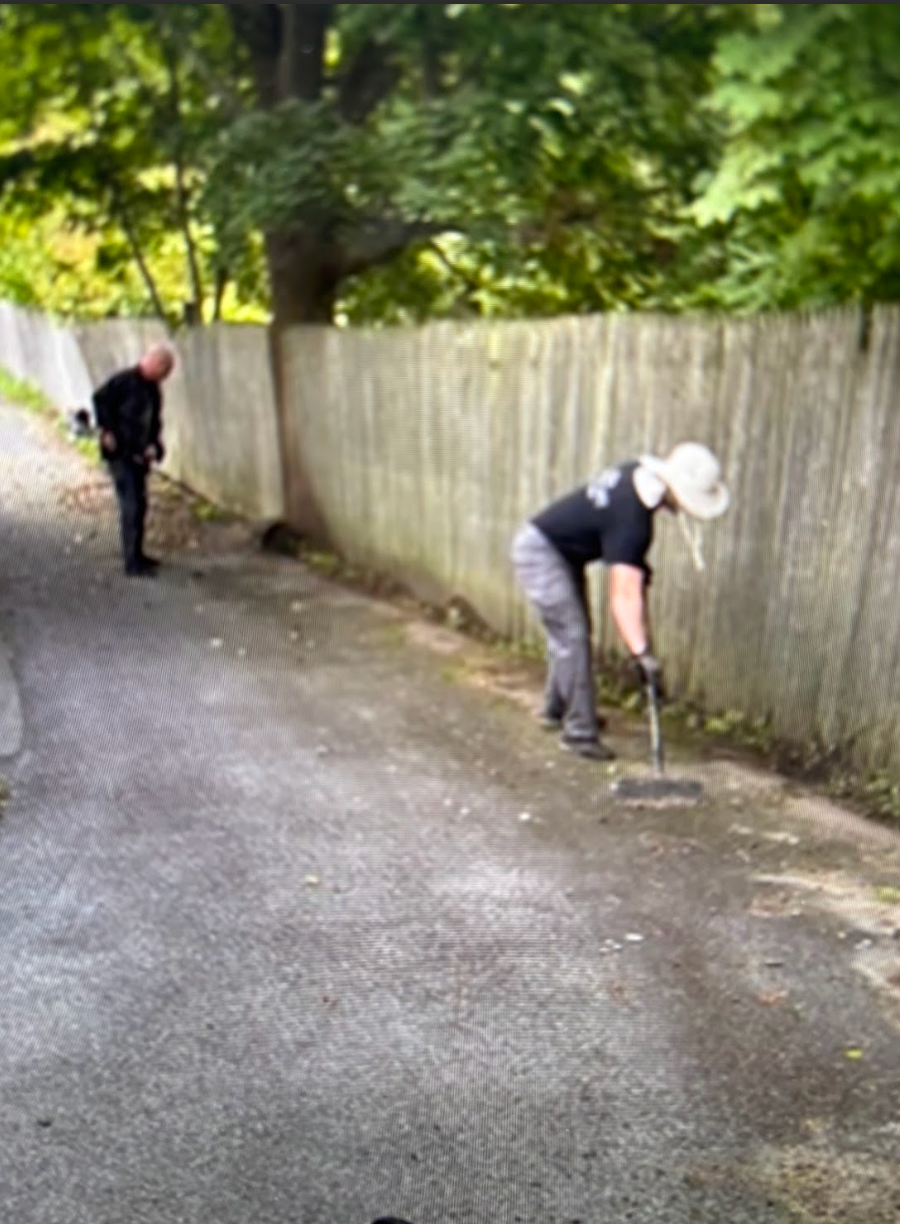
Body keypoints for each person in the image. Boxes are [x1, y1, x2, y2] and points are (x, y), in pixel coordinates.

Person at [512, 443, 730, 761]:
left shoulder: (637, 478)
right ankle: (579, 732)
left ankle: (557, 710)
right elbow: (624, 596)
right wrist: (641, 654)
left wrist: (637, 566)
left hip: (559, 550)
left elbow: (620, 549)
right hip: (541, 552)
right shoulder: (633, 518)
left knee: (571, 634)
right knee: (572, 635)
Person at [92, 344, 176, 577]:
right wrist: (107, 430)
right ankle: (131, 560)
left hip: (139, 454)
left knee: (140, 504)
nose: (165, 376)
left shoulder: (153, 391)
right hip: (120, 452)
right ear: (154, 363)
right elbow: (100, 400)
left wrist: (154, 446)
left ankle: (137, 553)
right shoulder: (124, 381)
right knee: (131, 504)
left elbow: (155, 423)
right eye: (164, 370)